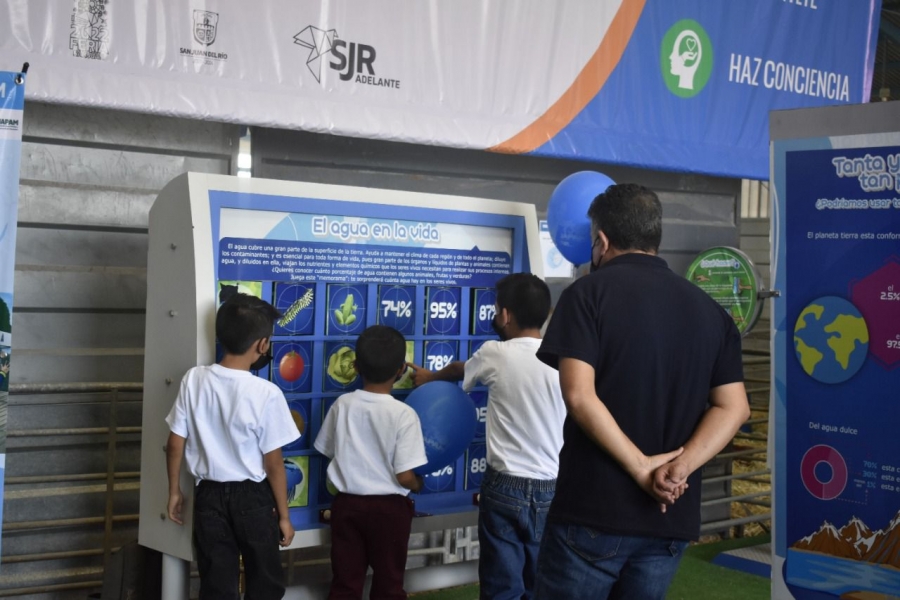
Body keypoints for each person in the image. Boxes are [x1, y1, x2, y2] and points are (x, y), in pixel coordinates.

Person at [533, 183, 750, 599]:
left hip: (593, 511)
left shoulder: (586, 295)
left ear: (601, 242)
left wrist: (641, 468)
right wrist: (678, 469)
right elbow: (734, 407)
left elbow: (579, 396)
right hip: (669, 516)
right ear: (655, 236)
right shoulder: (711, 312)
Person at [409, 272, 567, 600]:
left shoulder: (495, 352)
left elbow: (459, 369)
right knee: (540, 582)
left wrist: (429, 378)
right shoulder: (563, 359)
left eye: (496, 310)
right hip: (552, 488)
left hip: (505, 487)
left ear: (506, 315)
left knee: (501, 586)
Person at [166, 293, 300, 600]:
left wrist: (174, 490)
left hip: (208, 495)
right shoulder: (267, 393)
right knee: (264, 581)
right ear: (262, 345)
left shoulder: (193, 380)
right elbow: (273, 464)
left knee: (216, 583)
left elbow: (174, 444)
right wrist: (283, 516)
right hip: (253, 497)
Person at [314, 325, 428, 600]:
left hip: (347, 507)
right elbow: (404, 476)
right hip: (390, 511)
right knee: (389, 585)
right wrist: (418, 484)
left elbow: (326, 449)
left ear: (355, 366)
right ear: (401, 370)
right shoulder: (404, 414)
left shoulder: (342, 404)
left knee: (345, 584)